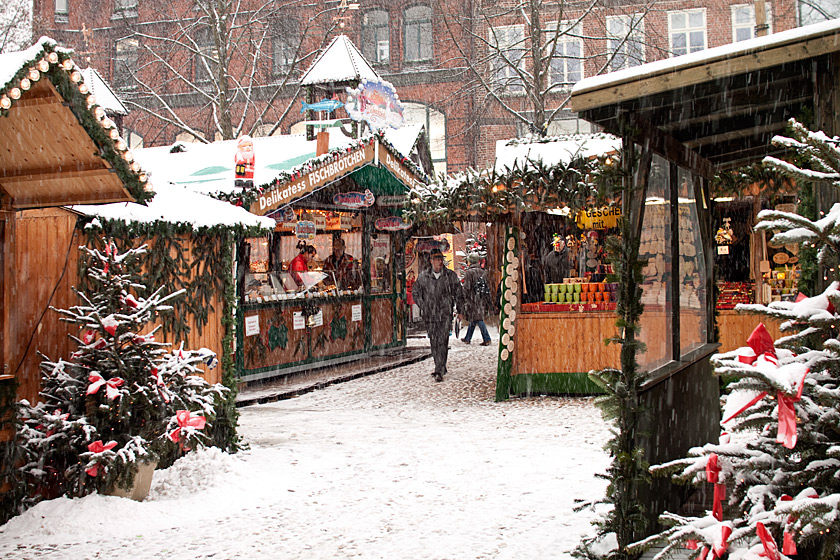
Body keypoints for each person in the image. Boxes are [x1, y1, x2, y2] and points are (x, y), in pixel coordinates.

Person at [412, 248, 464, 382]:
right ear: (431, 261)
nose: (440, 262)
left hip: (445, 313)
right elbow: (416, 292)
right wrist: (423, 305)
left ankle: (439, 369)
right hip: (430, 314)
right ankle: (439, 365)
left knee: (443, 341)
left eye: (441, 259)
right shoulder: (424, 277)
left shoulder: (450, 276)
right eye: (437, 259)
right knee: (434, 342)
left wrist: (460, 310)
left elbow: (459, 293)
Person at [459, 253, 492, 346]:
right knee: (474, 318)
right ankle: (467, 338)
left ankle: (487, 338)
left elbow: (467, 287)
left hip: (472, 298)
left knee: (478, 318)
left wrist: (464, 297)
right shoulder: (482, 272)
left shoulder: (469, 272)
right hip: (481, 298)